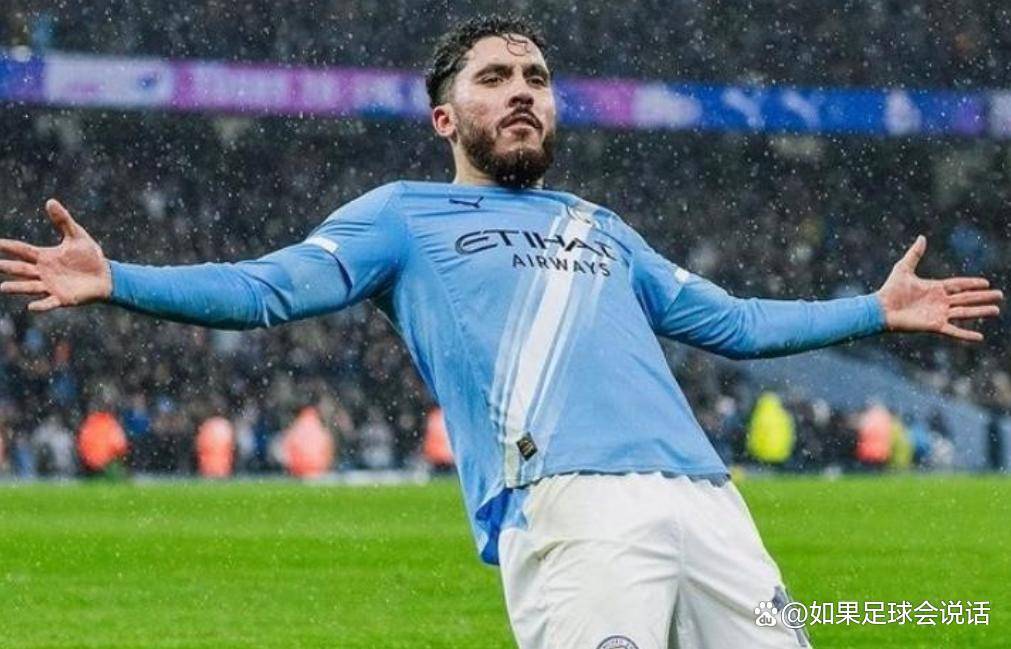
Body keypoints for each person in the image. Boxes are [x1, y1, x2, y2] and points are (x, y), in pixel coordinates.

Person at [0, 15, 1002, 649]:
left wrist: (875, 308)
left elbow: (734, 322)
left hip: (711, 503)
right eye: (493, 76)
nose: (522, 87)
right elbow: (268, 289)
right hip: (569, 502)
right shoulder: (401, 215)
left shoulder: (601, 226)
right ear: (445, 119)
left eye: (535, 74)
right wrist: (118, 278)